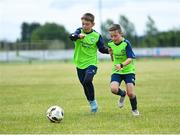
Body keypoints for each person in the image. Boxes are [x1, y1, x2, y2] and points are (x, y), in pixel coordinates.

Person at [69, 13, 109, 113]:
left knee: (87, 81)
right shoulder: (79, 31)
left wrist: (110, 50)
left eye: (87, 24)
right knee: (84, 84)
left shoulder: (97, 36)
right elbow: (71, 36)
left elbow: (101, 49)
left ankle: (94, 103)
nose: (84, 26)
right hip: (79, 63)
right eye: (83, 24)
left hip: (92, 63)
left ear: (93, 24)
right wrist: (78, 36)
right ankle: (91, 102)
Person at [107, 24, 140, 116]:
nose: (113, 38)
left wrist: (121, 65)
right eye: (111, 36)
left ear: (121, 34)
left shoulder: (126, 43)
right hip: (117, 71)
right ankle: (122, 94)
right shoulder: (110, 44)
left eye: (115, 35)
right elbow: (112, 58)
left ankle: (134, 109)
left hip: (128, 71)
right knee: (113, 89)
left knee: (131, 93)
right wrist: (111, 54)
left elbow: (130, 58)